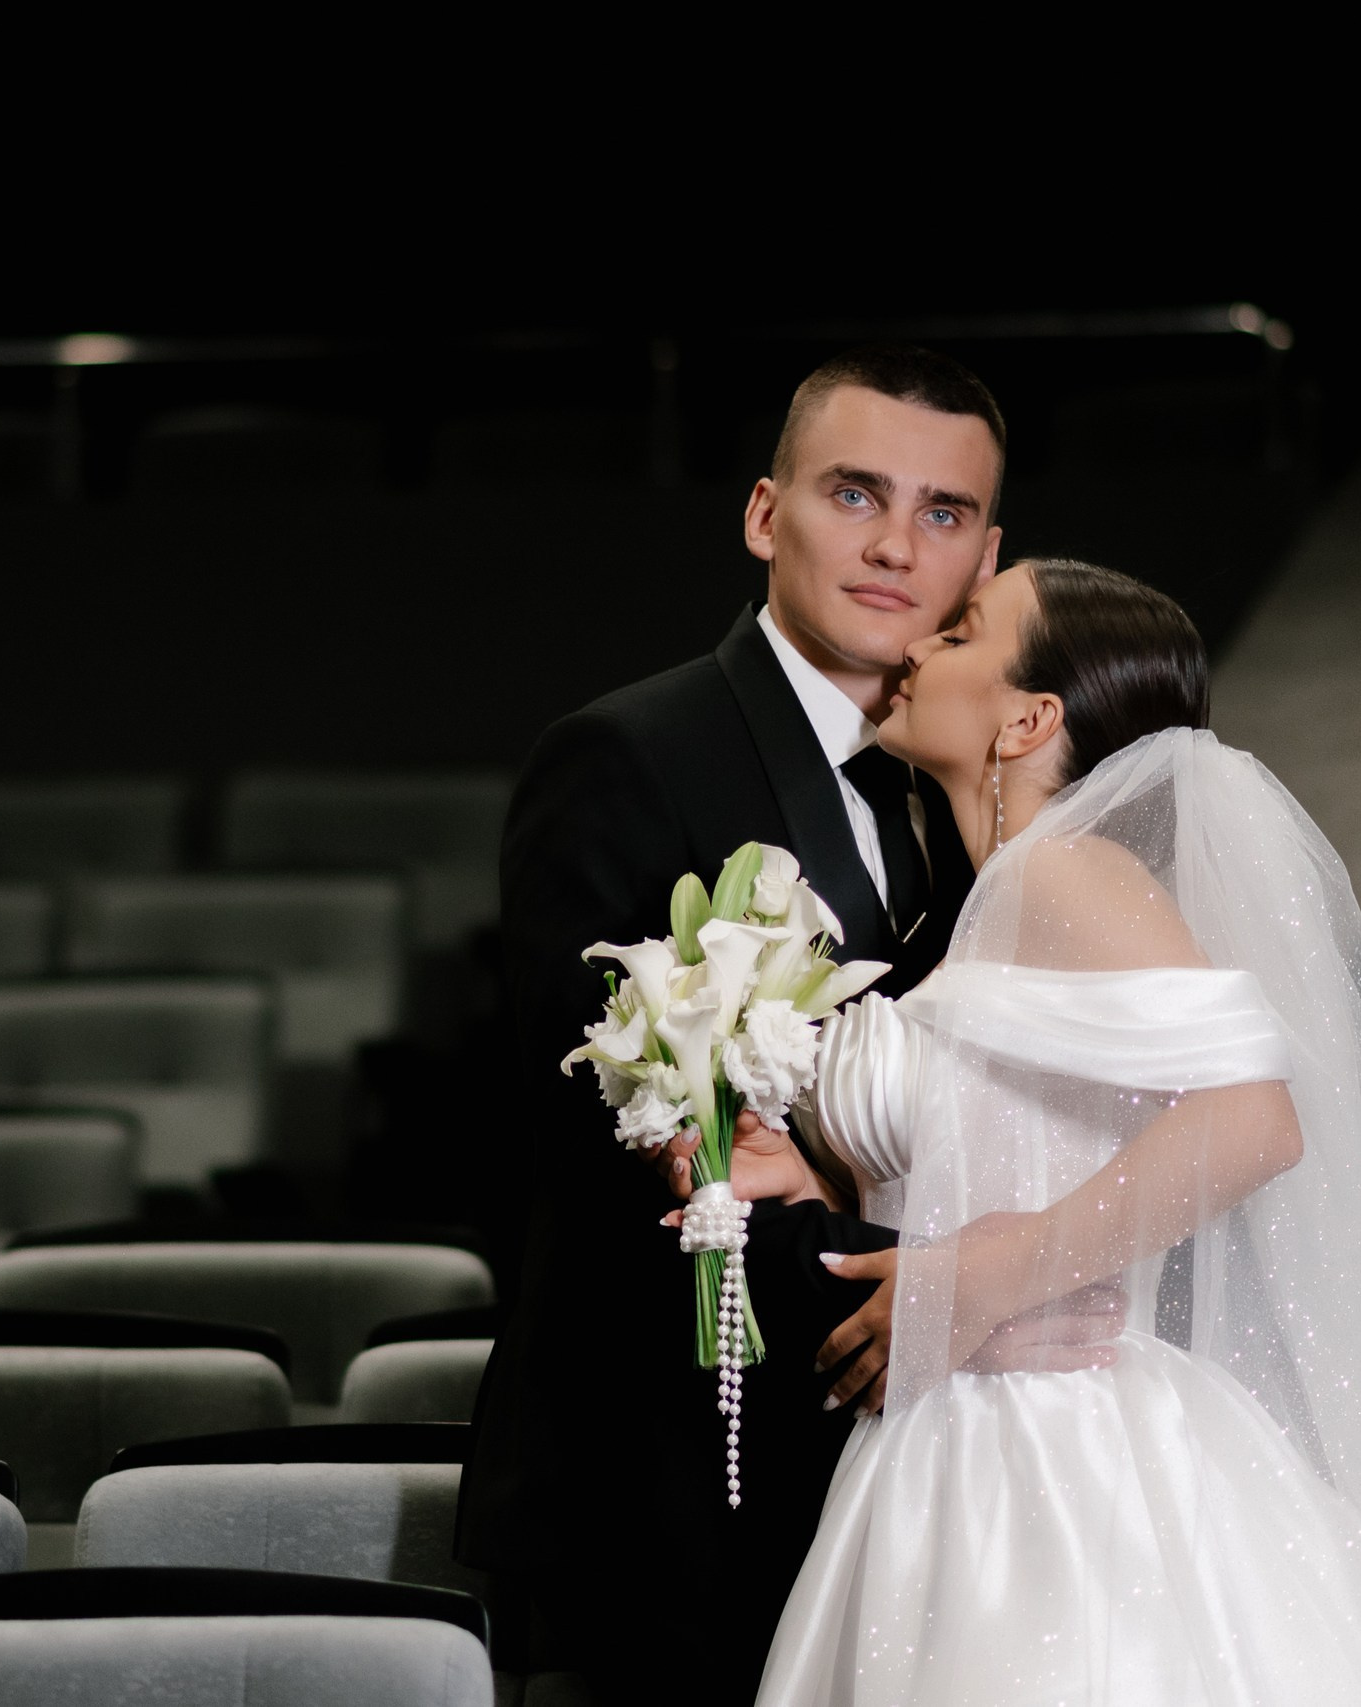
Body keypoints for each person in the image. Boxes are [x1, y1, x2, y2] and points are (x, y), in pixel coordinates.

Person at [757, 560, 1361, 1703]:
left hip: (1046, 1456)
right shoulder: (988, 905)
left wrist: (999, 1269)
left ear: (1029, 716)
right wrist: (806, 1162)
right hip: (947, 1432)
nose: (918, 646)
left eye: (962, 632)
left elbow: (1254, 1119)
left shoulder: (1067, 870)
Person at [457, 347, 1122, 1703]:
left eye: (942, 514)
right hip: (675, 1487)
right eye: (855, 493)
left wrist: (1019, 1270)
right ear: (768, 514)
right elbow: (604, 1144)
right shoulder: (628, 757)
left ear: (988, 558)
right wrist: (945, 1287)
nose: (893, 545)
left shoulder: (987, 794)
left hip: (935, 1493)